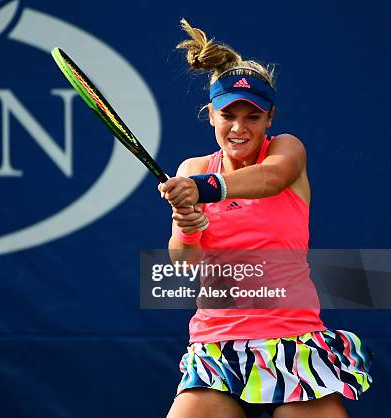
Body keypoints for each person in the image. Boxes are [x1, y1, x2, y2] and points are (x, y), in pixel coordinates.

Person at [158, 19, 372, 418]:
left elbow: (271, 179)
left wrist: (202, 189)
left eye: (252, 117)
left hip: (293, 343)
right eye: (228, 115)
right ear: (210, 116)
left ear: (269, 118)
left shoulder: (287, 150)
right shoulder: (193, 167)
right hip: (216, 347)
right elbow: (183, 262)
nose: (239, 128)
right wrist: (187, 230)